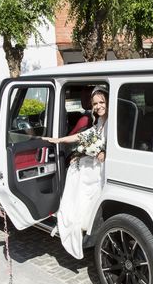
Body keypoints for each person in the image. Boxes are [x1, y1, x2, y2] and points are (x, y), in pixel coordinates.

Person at [42, 86, 108, 259]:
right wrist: (58, 140)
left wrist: (105, 152)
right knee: (75, 164)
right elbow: (83, 136)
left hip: (104, 166)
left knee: (77, 171)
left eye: (102, 102)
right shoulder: (99, 122)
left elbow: (112, 143)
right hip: (95, 161)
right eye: (95, 104)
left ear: (108, 102)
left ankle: (85, 221)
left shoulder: (113, 122)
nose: (98, 106)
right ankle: (75, 218)